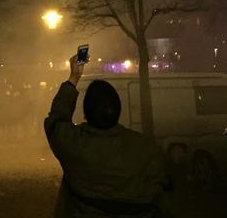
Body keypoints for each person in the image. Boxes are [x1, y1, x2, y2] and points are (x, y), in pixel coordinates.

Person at [45, 55, 170, 218]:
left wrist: (74, 77)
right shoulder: (146, 150)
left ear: (86, 114)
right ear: (118, 111)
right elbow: (162, 189)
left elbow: (56, 119)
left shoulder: (74, 145)